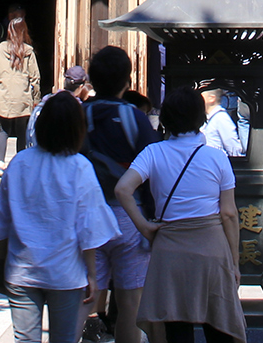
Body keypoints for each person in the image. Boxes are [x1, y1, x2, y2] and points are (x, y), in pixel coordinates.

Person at [114, 87, 246, 343]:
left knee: (176, 327)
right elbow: (229, 214)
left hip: (169, 248)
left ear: (166, 120)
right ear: (200, 118)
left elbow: (122, 189)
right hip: (211, 247)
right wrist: (234, 260)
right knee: (219, 324)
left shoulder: (153, 153)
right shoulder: (216, 157)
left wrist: (144, 226)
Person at [0, 92, 120, 343]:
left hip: (22, 268)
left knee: (25, 338)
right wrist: (92, 274)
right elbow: (89, 227)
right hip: (65, 271)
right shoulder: (79, 167)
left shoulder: (20, 162)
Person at [81, 46, 158, 343]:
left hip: (88, 216)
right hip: (129, 215)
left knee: (88, 295)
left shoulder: (80, 113)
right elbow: (151, 163)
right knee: (131, 301)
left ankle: (88, 335)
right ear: (127, 80)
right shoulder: (134, 118)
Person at [0, 11, 43, 168]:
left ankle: (0, 162)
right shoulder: (28, 51)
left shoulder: (0, 49)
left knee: (4, 130)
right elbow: (35, 78)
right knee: (21, 131)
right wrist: (36, 99)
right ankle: (20, 162)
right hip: (23, 96)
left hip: (4, 95)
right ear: (24, 31)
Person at [201, 89, 245, 160]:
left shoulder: (221, 118)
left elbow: (233, 148)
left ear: (211, 98)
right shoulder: (207, 118)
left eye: (201, 97)